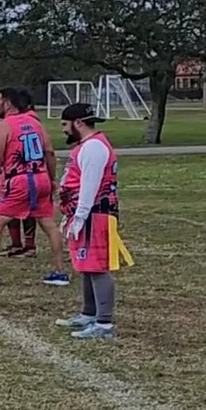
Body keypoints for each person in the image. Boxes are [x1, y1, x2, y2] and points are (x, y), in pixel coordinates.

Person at [0, 88, 69, 287]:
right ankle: (60, 272)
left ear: (7, 103)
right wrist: (52, 179)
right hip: (41, 177)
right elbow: (50, 152)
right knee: (48, 223)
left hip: (19, 181)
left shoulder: (4, 126)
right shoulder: (36, 123)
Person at [55, 103, 132, 339]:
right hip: (87, 213)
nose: (64, 130)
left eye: (65, 124)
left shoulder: (94, 147)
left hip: (95, 214)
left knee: (97, 267)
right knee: (86, 264)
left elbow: (90, 185)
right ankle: (89, 313)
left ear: (78, 123)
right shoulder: (88, 146)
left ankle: (104, 324)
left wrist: (79, 216)